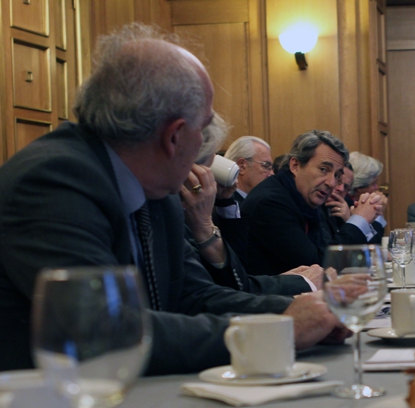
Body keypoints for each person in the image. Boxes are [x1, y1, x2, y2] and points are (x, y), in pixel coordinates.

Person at [0, 23, 343, 375]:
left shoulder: (155, 186)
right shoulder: (53, 183)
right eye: (204, 127)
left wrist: (294, 313)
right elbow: (105, 331)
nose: (206, 145)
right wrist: (276, 332)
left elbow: (192, 296)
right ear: (175, 137)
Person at [182, 112, 323, 294]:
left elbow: (237, 275)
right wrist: (298, 283)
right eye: (266, 166)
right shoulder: (268, 202)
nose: (271, 174)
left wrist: (225, 202)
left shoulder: (221, 203)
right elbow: (213, 293)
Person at [242, 130, 385, 275]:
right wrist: (358, 220)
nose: (331, 183)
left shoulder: (307, 198)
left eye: (336, 175)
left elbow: (325, 251)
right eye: (323, 169)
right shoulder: (270, 203)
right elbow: (318, 266)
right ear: (295, 165)